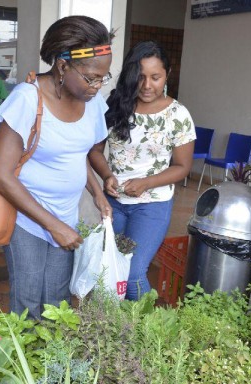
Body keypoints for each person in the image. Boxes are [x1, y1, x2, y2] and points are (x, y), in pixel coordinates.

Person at [0, 15, 113, 319]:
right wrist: (52, 225)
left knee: (57, 303)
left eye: (103, 78)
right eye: (91, 77)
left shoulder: (93, 103)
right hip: (27, 219)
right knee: (28, 303)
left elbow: (76, 153)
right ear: (63, 65)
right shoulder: (27, 99)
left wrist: (97, 192)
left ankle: (50, 365)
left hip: (66, 217)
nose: (97, 86)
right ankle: (23, 364)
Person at [88, 41, 196, 301]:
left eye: (155, 77)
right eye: (140, 77)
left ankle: (150, 332)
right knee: (111, 270)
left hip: (152, 205)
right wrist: (107, 176)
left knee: (134, 272)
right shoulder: (115, 106)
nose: (147, 85)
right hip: (114, 203)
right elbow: (94, 152)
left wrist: (147, 183)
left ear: (167, 75)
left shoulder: (178, 115)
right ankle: (120, 331)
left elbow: (183, 167)